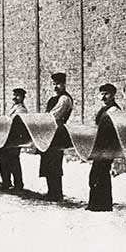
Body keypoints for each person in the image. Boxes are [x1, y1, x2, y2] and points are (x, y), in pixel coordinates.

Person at [87, 84, 121, 211]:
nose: (103, 97)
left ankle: (103, 205)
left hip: (107, 147)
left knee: (101, 174)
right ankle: (96, 204)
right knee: (96, 174)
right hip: (100, 146)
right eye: (102, 94)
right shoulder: (104, 109)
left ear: (113, 95)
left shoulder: (114, 110)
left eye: (106, 94)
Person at [40, 72, 74, 201]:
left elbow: (54, 115)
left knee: (54, 163)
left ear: (64, 84)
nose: (56, 87)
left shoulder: (64, 99)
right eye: (54, 84)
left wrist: (44, 120)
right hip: (50, 132)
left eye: (58, 84)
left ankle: (56, 193)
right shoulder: (53, 98)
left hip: (58, 133)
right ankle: (51, 191)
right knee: (48, 162)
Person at [0, 88, 28, 191]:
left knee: (13, 161)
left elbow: (16, 124)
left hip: (14, 139)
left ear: (22, 97)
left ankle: (18, 184)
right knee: (4, 159)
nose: (15, 97)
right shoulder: (14, 107)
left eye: (17, 95)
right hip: (8, 137)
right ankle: (6, 182)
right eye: (14, 95)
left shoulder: (22, 110)